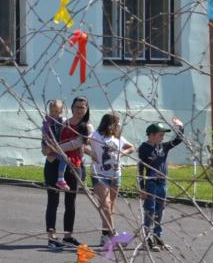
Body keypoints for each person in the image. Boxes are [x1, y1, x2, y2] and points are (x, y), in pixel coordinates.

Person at [46, 96, 89, 251]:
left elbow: (76, 143)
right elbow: (46, 140)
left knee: (70, 203)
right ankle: (51, 237)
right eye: (77, 107)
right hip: (54, 165)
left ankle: (68, 236)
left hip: (73, 167)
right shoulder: (61, 122)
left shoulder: (86, 127)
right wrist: (47, 148)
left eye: (82, 107)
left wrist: (55, 148)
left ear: (86, 109)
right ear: (71, 108)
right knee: (53, 201)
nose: (79, 110)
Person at [137, 117, 184, 251]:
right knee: (150, 210)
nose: (163, 138)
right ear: (151, 135)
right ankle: (148, 239)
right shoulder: (144, 148)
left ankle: (158, 237)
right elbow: (140, 168)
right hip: (151, 184)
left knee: (159, 211)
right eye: (160, 135)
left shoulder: (163, 146)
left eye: (163, 135)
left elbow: (178, 140)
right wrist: (142, 188)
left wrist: (181, 128)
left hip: (163, 184)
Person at [87, 113, 134, 245]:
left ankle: (104, 236)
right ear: (109, 123)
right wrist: (91, 153)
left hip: (115, 174)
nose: (119, 125)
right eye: (117, 123)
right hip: (100, 174)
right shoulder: (96, 135)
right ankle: (114, 235)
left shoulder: (117, 137)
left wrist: (121, 154)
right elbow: (83, 144)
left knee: (110, 207)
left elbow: (131, 147)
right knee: (106, 206)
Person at [41, 100, 69, 191]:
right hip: (51, 147)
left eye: (56, 111)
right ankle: (60, 179)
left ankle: (60, 179)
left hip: (59, 147)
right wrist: (49, 145)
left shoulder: (63, 122)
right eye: (51, 111)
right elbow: (44, 135)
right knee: (64, 158)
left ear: (61, 111)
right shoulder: (47, 123)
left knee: (64, 159)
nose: (53, 113)